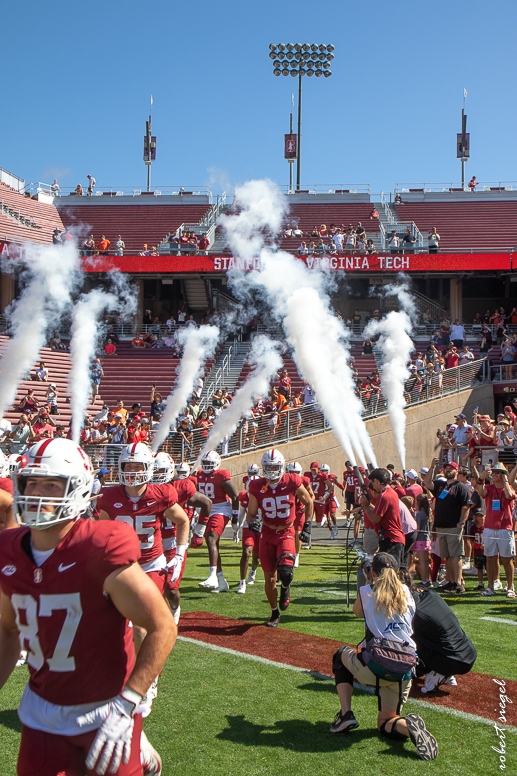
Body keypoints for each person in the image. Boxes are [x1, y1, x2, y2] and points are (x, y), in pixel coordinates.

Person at [0, 438, 172, 775]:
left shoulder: (100, 545)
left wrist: (130, 702)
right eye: (30, 482)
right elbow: (8, 631)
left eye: (51, 484)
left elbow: (161, 626)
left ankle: (140, 745)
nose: (37, 493)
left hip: (108, 708)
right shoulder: (7, 550)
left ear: (76, 489)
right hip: (42, 711)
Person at [330, 553, 438, 760]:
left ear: (372, 572)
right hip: (405, 667)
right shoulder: (407, 592)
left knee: (340, 655)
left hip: (375, 665)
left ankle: (346, 715)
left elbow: (357, 612)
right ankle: (409, 728)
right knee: (387, 722)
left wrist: (367, 580)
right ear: (398, 572)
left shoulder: (367, 590)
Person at [247, 450, 312, 627]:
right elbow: (251, 513)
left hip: (286, 532)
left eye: (275, 466)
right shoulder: (256, 486)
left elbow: (309, 502)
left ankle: (285, 588)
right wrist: (252, 522)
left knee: (286, 572)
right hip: (267, 534)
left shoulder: (292, 481)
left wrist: (307, 526)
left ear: (282, 466)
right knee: (269, 577)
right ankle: (274, 612)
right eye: (268, 466)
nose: (271, 470)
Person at [191, 450, 239, 593]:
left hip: (221, 509)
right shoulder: (199, 474)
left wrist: (235, 516)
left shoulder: (221, 475)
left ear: (216, 464)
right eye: (204, 463)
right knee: (213, 543)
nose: (206, 466)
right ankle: (221, 580)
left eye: (209, 463)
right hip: (207, 509)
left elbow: (235, 497)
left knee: (211, 537)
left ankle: (212, 576)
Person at [423, 460, 470, 594]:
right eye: (446, 468)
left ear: (457, 471)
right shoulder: (440, 485)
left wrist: (461, 522)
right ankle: (450, 582)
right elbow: (427, 483)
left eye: (451, 468)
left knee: (455, 556)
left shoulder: (460, 487)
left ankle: (458, 583)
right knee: (447, 556)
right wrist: (432, 467)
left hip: (453, 526)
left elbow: (466, 506)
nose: (448, 470)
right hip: (441, 526)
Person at [477, 462, 516, 597]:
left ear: (503, 474)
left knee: (507, 559)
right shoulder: (488, 487)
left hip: (505, 527)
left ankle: (510, 587)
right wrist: (481, 479)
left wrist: (505, 480)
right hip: (489, 527)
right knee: (490, 558)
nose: (494, 474)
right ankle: (490, 587)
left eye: (497, 472)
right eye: (493, 472)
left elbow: (510, 495)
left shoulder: (508, 487)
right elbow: (481, 491)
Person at [359, 468, 405, 568]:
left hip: (391, 538)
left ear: (377, 481)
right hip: (393, 537)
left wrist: (366, 506)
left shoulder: (384, 495)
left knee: (389, 572)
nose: (373, 486)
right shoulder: (391, 492)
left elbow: (374, 519)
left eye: (372, 482)